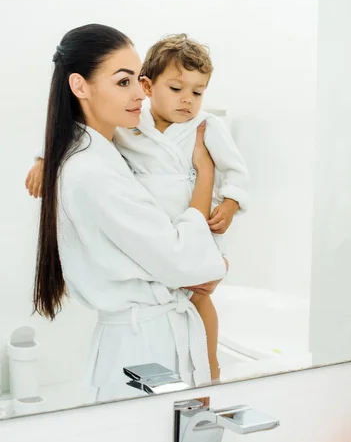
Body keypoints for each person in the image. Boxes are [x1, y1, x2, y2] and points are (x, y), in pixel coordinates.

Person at [27, 34, 249, 381]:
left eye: (136, 80)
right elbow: (185, 265)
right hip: (144, 339)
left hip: (180, 270)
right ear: (80, 86)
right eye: (123, 81)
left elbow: (236, 173)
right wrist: (204, 173)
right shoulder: (96, 166)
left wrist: (230, 204)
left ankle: (213, 369)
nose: (137, 93)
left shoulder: (195, 129)